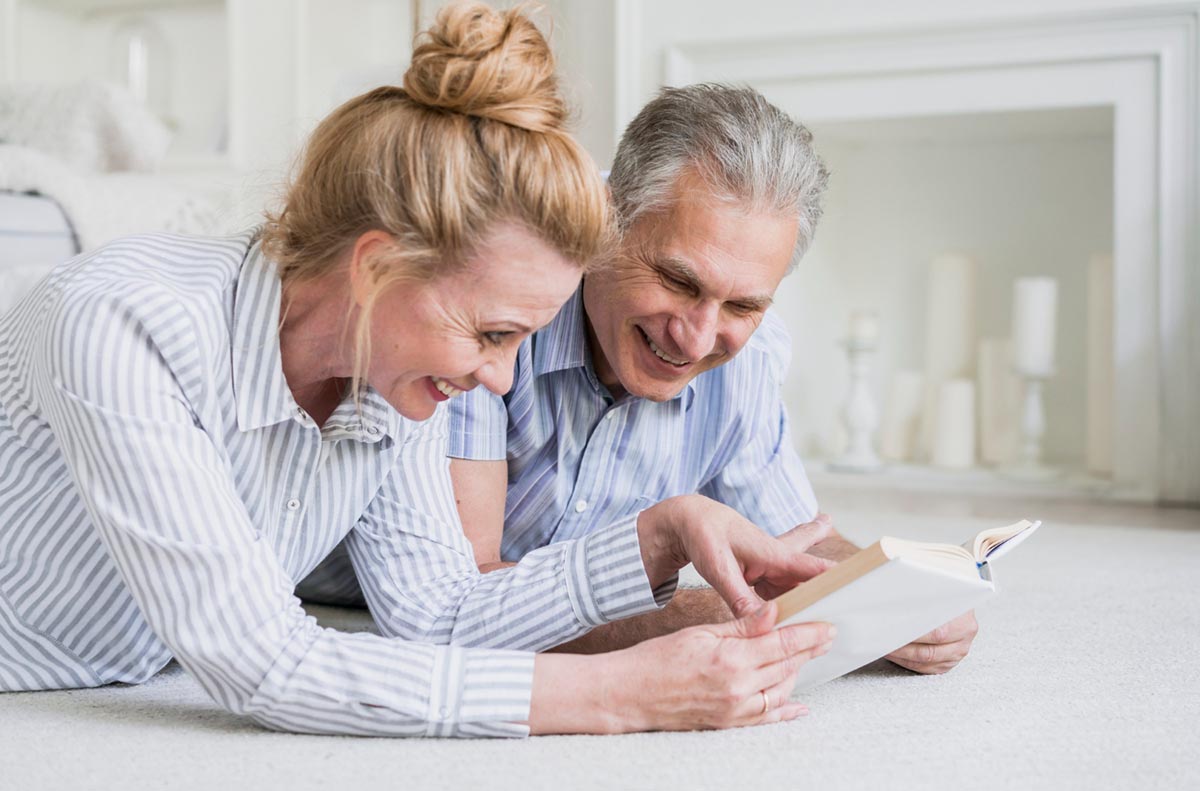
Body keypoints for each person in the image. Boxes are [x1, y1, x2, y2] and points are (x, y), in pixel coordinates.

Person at [0, 4, 836, 736]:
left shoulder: (388, 377)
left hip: (128, 670)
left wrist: (661, 531)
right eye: (492, 333)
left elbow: (439, 614)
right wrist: (616, 695)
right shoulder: (123, 322)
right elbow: (262, 662)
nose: (504, 380)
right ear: (377, 268)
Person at [441, 84, 979, 672]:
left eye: (742, 306)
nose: (697, 339)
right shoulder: (500, 305)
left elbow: (792, 542)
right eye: (678, 281)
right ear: (604, 219)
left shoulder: (750, 359)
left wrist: (892, 592)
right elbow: (462, 603)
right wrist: (709, 616)